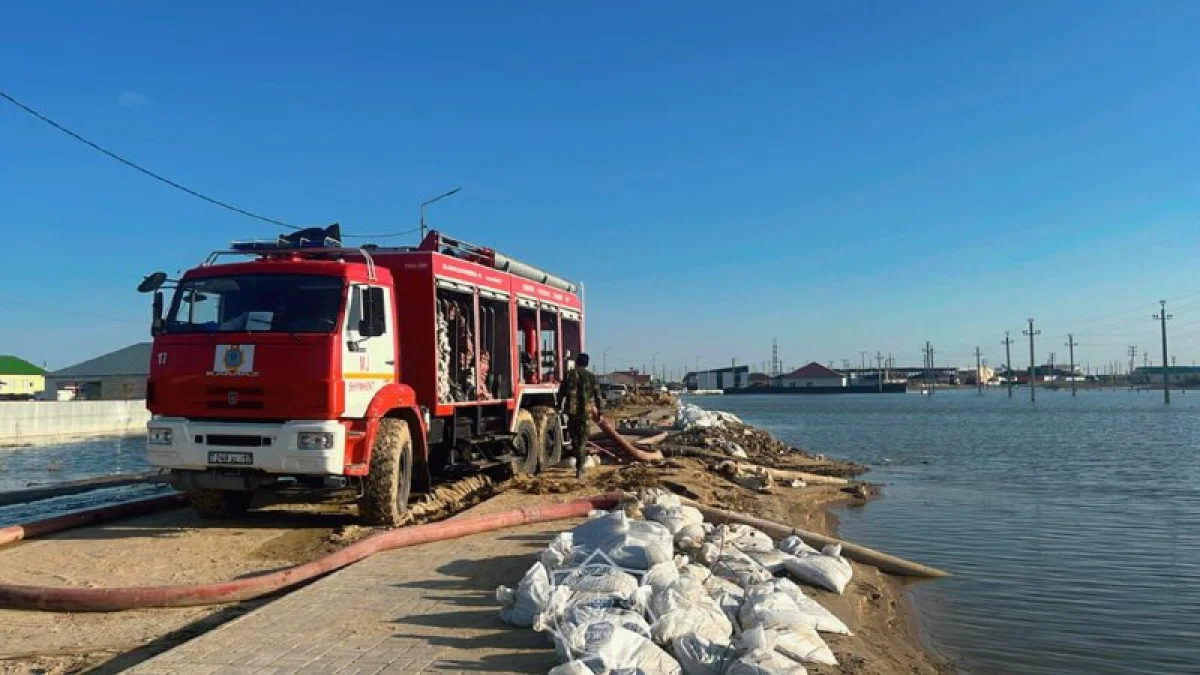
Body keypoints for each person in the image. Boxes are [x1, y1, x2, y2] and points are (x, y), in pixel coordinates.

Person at [557, 352, 601, 479]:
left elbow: (561, 393)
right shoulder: (592, 377)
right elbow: (598, 396)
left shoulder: (569, 375)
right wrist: (600, 413)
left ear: (576, 362)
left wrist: (558, 406)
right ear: (587, 364)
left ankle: (579, 465)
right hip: (585, 414)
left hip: (572, 413)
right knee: (583, 441)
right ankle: (580, 468)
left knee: (575, 440)